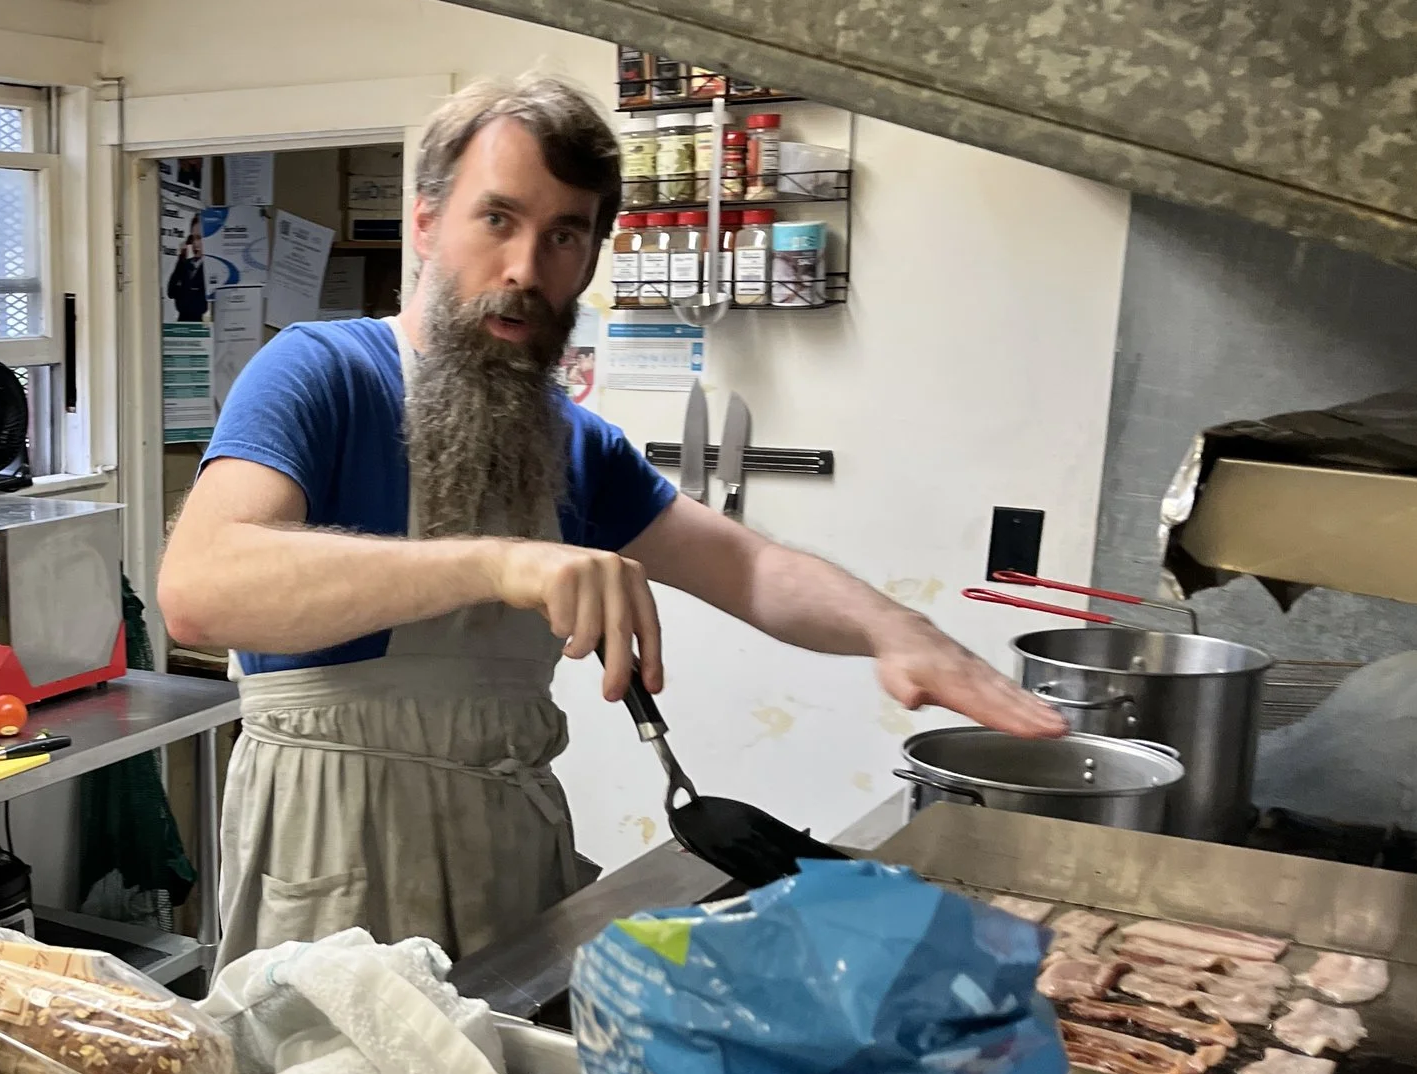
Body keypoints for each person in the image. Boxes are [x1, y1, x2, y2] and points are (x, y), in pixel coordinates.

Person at [157, 73, 1064, 966]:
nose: (525, 269)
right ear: (427, 224)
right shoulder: (322, 373)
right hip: (333, 860)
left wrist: (897, 630)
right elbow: (200, 593)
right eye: (497, 219)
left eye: (564, 235)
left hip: (507, 853)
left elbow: (749, 569)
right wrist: (503, 565)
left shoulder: (573, 445)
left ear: (592, 258)